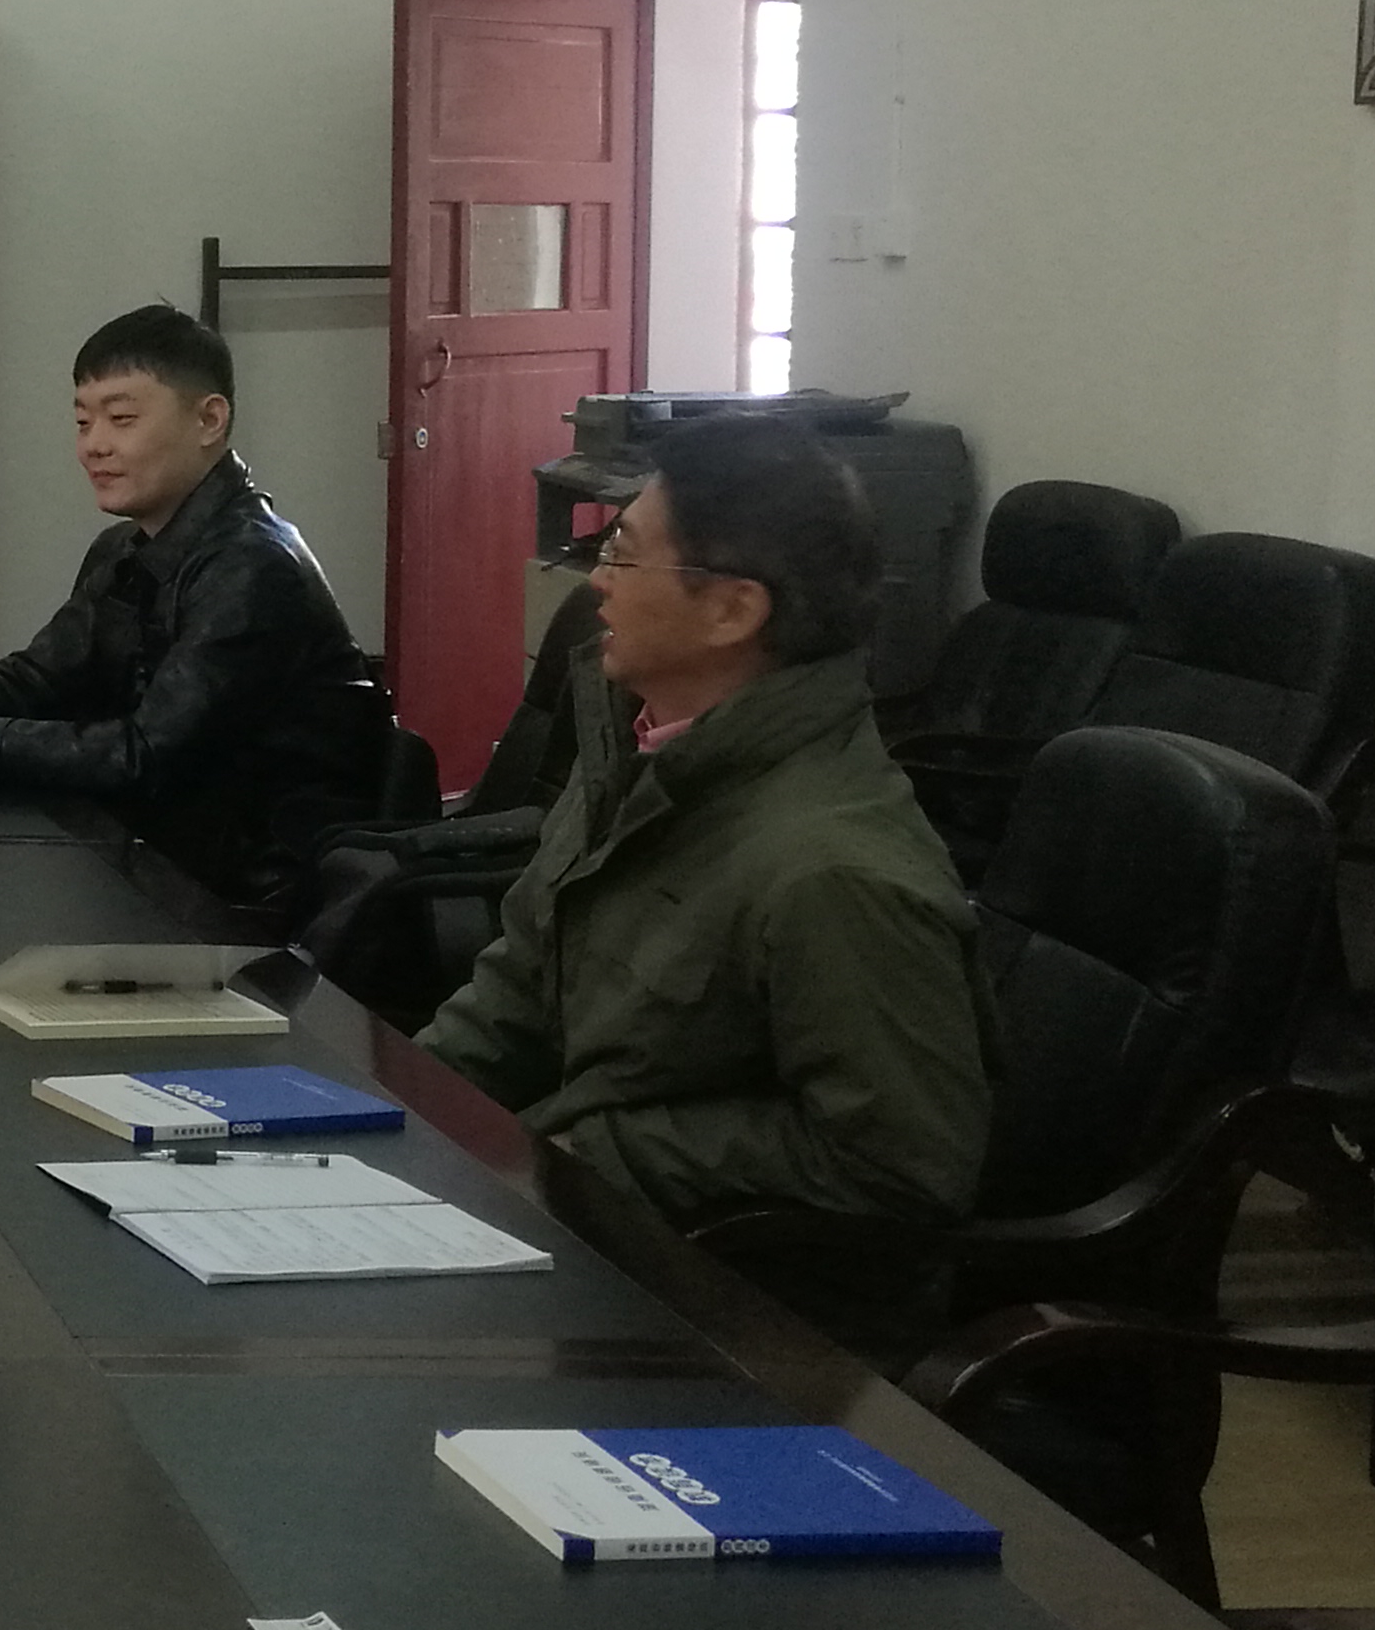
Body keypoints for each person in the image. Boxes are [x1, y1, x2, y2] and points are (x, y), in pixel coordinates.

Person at [413, 419, 989, 1274]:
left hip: (725, 1294)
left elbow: (905, 1164)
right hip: (573, 1215)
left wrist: (596, 1153)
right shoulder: (644, 751)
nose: (597, 580)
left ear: (732, 610)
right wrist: (397, 1115)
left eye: (624, 554)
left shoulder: (833, 869)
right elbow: (523, 981)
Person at [0, 306, 397, 903]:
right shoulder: (122, 547)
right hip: (154, 847)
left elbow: (146, 754)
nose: (94, 446)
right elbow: (42, 672)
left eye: (122, 419)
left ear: (209, 419)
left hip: (256, 891)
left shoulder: (254, 564)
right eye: (83, 422)